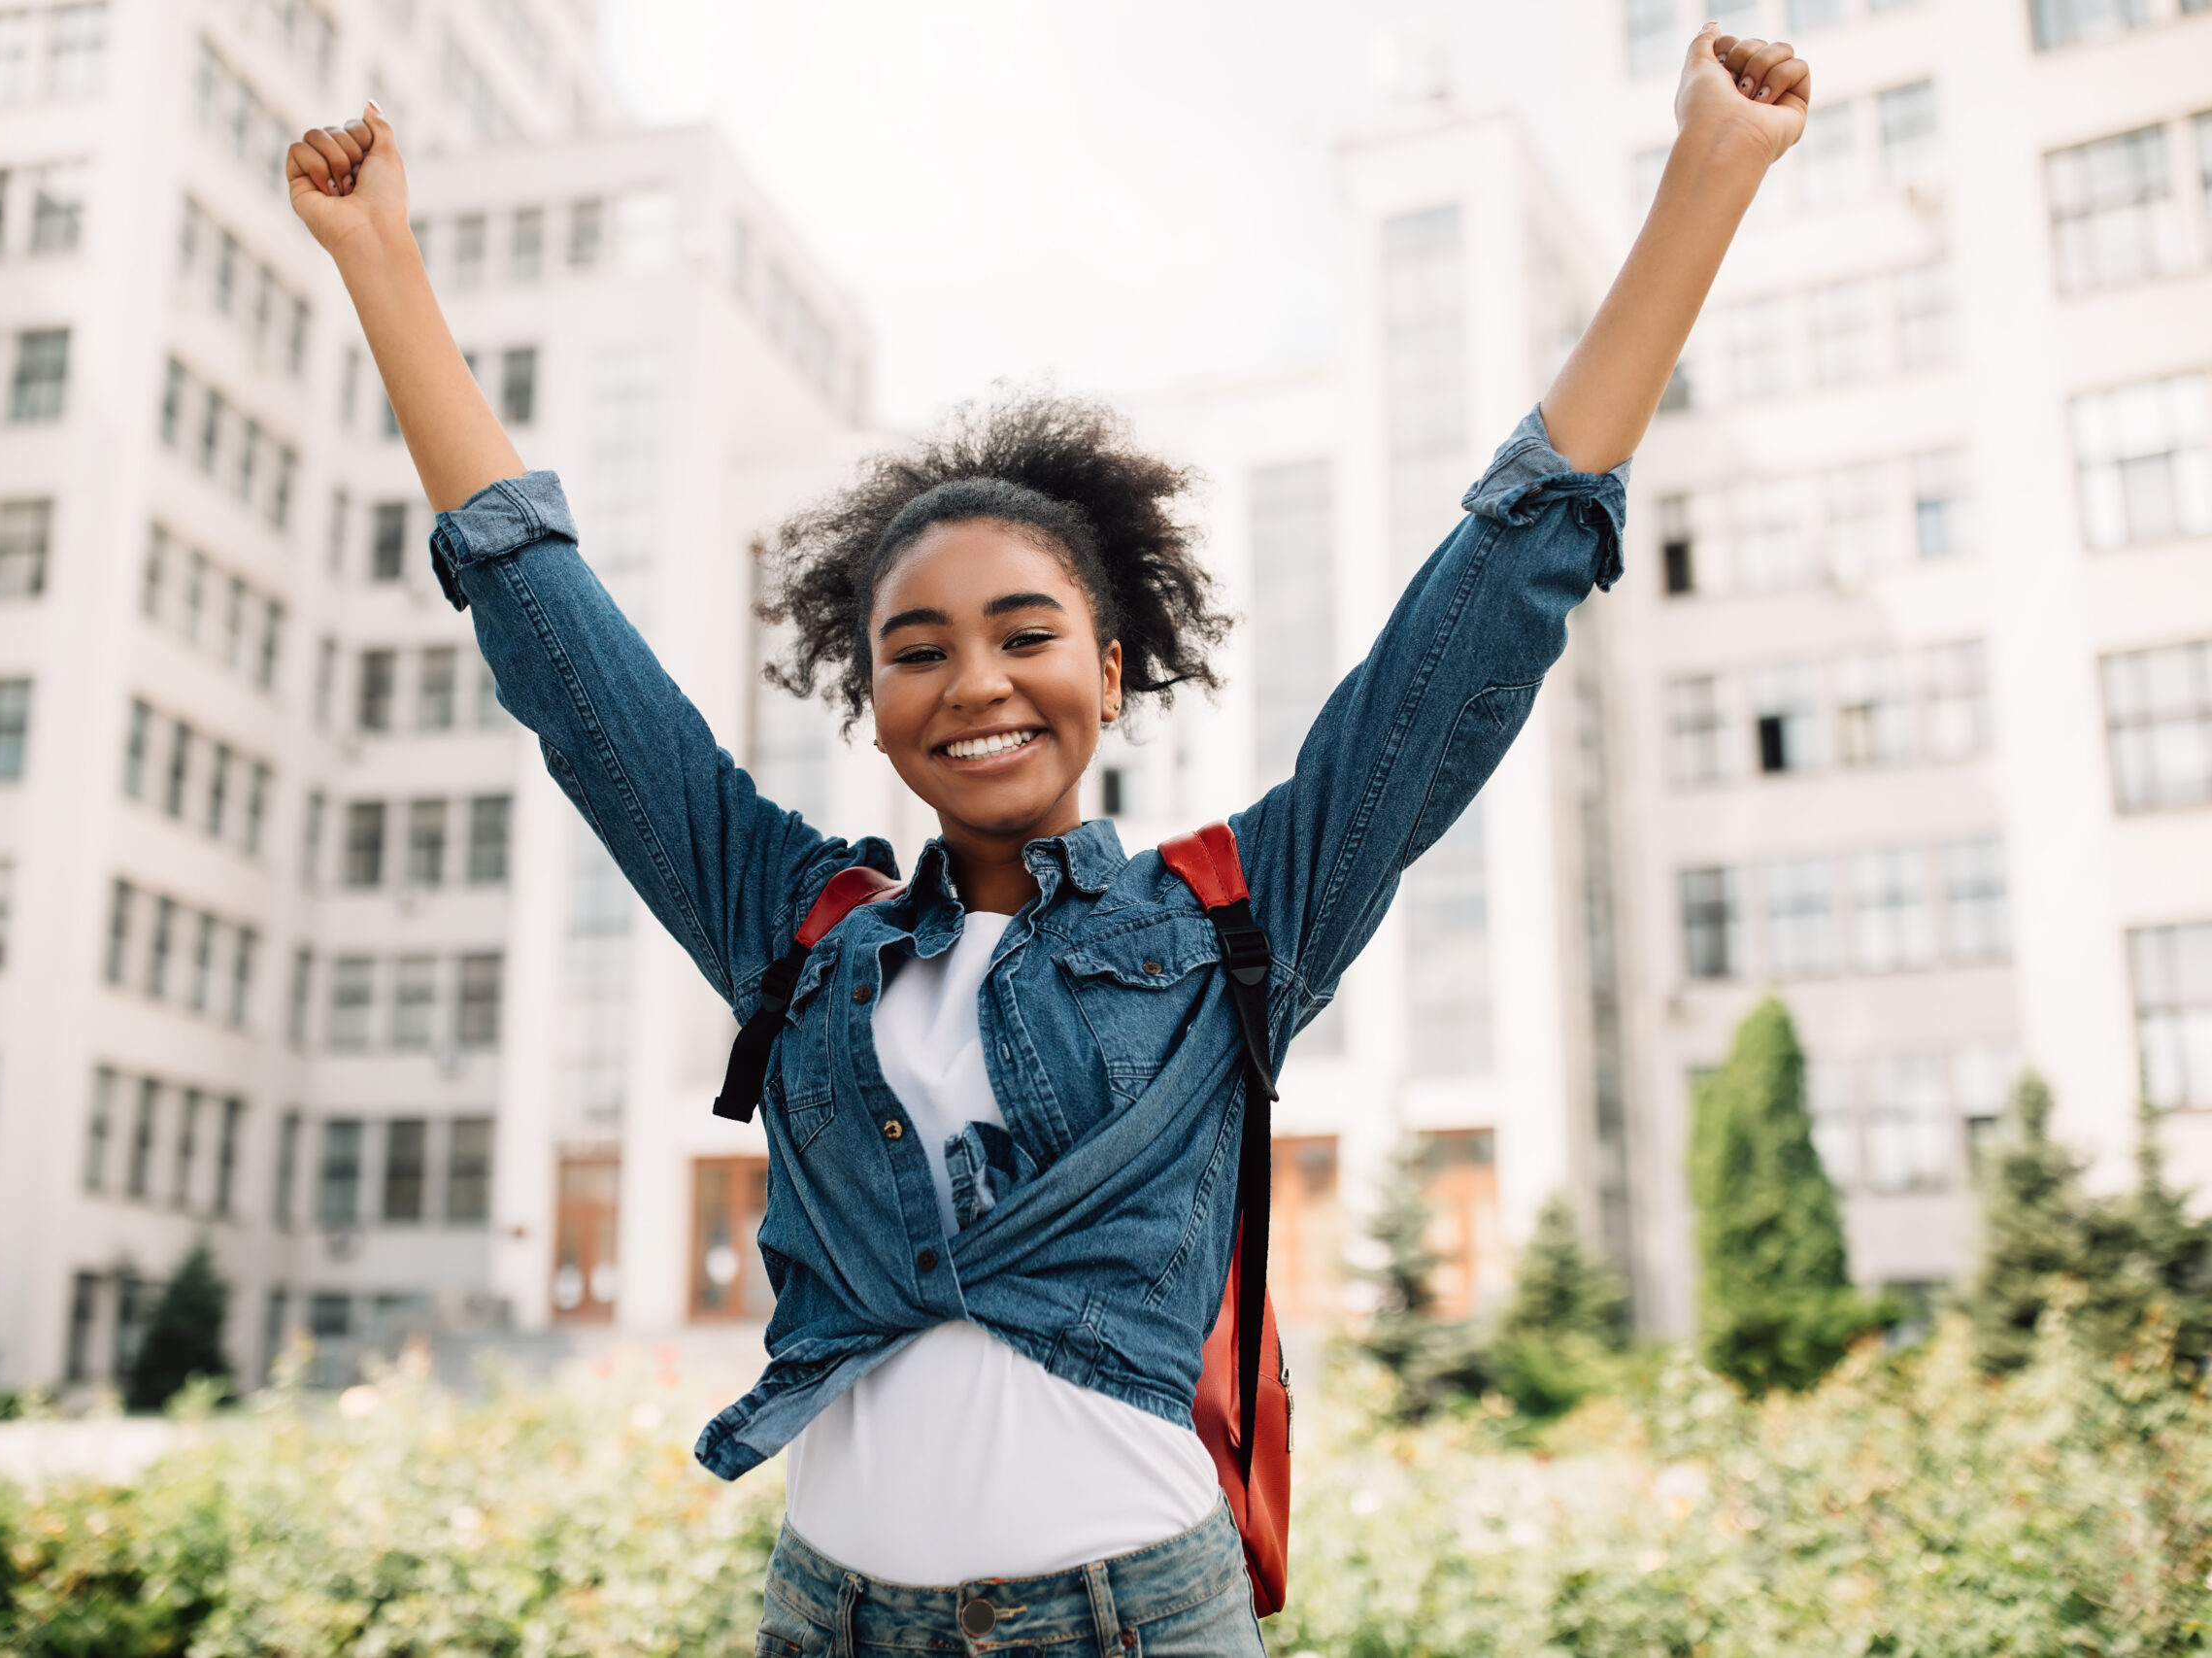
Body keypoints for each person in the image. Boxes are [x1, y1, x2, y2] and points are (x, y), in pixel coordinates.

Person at [286, 23, 1810, 1655]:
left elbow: (1490, 603)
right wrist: (380, 255)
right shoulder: (798, 936)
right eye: (917, 648)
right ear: (868, 701)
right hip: (832, 1619)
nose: (976, 682)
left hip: (1133, 1621)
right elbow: (560, 649)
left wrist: (1707, 176)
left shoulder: (1238, 921)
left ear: (1113, 667)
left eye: (1026, 633)